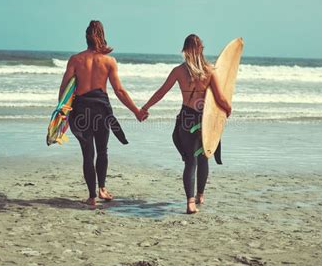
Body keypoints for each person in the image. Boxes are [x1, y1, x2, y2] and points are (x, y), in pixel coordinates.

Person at [58, 20, 148, 206]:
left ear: (86, 37)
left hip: (81, 111)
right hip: (101, 111)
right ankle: (102, 189)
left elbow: (64, 88)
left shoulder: (75, 59)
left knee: (87, 154)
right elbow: (119, 91)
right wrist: (136, 111)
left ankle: (91, 197)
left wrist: (61, 112)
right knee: (102, 150)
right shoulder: (108, 61)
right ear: (102, 36)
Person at [141, 34, 231, 214]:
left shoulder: (178, 71)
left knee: (190, 161)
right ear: (201, 49)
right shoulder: (210, 71)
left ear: (184, 50)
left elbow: (161, 92)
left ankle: (190, 202)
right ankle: (200, 195)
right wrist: (228, 109)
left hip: (187, 118)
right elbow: (220, 98)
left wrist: (145, 107)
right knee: (204, 156)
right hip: (204, 120)